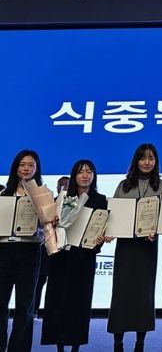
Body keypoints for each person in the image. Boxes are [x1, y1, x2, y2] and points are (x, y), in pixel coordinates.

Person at [107, 143, 162, 352]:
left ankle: (140, 343)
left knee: (143, 296)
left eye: (151, 158)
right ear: (136, 161)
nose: (147, 162)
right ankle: (118, 343)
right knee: (121, 294)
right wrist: (110, 230)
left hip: (147, 247)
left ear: (156, 162)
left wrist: (157, 229)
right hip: (125, 248)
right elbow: (113, 215)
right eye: (143, 158)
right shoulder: (123, 185)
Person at [41, 160, 108, 352]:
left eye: (89, 171)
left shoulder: (100, 200)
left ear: (94, 175)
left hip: (84, 258)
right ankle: (59, 346)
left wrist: (100, 238)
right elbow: (49, 226)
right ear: (74, 176)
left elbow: (102, 226)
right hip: (61, 258)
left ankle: (76, 346)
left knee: (80, 303)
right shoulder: (62, 198)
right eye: (81, 172)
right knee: (57, 301)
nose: (85, 175)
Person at [0, 150, 44, 352]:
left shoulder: (42, 195)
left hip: (29, 250)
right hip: (4, 250)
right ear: (16, 168)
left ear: (36, 168)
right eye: (22, 164)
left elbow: (48, 225)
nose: (26, 168)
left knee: (25, 305)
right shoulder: (3, 194)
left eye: (31, 165)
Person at [34, 176, 68, 319]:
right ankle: (34, 310)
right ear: (57, 188)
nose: (64, 187)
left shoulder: (74, 205)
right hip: (45, 249)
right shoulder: (50, 204)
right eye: (61, 185)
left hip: (64, 250)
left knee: (61, 283)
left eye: (67, 185)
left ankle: (59, 312)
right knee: (39, 281)